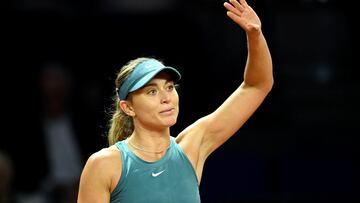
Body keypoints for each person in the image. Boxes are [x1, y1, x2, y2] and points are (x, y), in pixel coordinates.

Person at [77, 0, 273, 202]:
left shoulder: (191, 147)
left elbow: (257, 86)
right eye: (152, 92)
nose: (166, 98)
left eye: (169, 87)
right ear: (128, 107)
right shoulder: (105, 165)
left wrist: (255, 35)